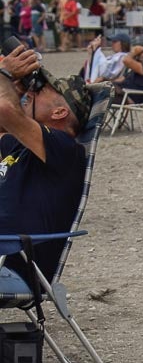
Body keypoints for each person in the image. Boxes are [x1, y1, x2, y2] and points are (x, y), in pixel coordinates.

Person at [0, 45, 91, 286]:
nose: (31, 90)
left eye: (40, 90)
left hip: (12, 266)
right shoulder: (22, 147)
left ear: (60, 111)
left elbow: (5, 111)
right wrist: (13, 88)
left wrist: (5, 75)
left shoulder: (64, 148)